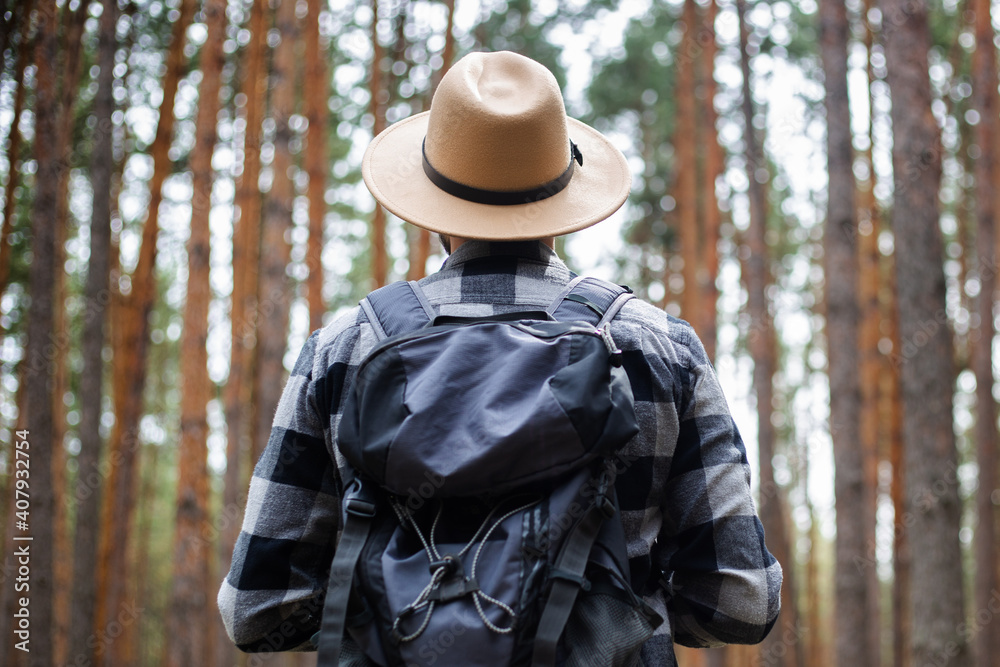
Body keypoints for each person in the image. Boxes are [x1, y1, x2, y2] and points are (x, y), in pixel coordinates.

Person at [219, 50, 782, 665]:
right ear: (561, 200)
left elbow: (259, 608)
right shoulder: (656, 346)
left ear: (433, 201)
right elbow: (739, 602)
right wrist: (616, 615)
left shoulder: (345, 348)